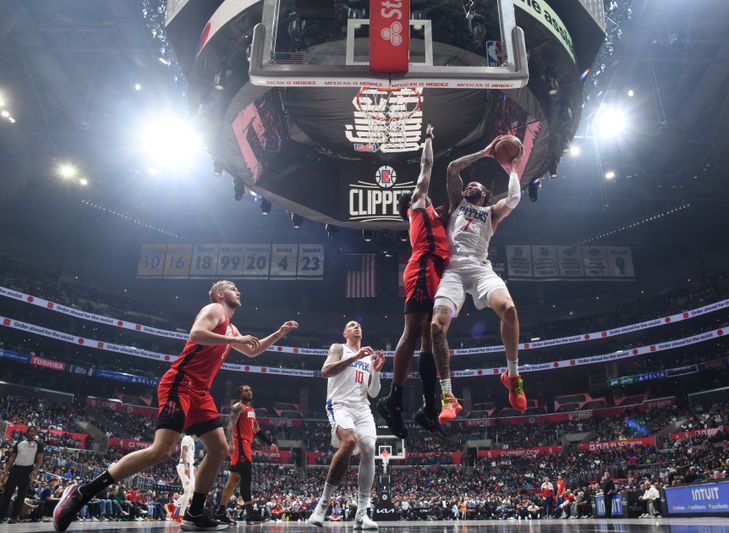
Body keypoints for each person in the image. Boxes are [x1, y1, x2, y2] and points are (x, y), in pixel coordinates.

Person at [53, 280, 299, 532]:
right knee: (161, 450)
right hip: (180, 383)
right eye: (233, 288)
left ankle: (194, 514)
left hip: (200, 392)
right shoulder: (214, 309)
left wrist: (278, 334)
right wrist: (233, 339)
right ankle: (83, 492)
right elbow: (196, 334)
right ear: (220, 294)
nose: (239, 291)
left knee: (219, 448)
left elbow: (253, 351)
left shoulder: (232, 328)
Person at [429, 137, 527, 422]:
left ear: (484, 195)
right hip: (454, 272)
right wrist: (484, 153)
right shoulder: (457, 202)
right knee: (436, 327)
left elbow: (515, 198)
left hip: (481, 269)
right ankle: (448, 397)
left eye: (477, 187)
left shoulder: (491, 213)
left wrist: (512, 167)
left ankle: (513, 377)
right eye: (469, 185)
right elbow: (451, 170)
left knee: (508, 309)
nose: (471, 186)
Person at [377, 122, 449, 439]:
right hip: (422, 268)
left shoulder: (433, 217)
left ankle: (428, 407)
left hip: (436, 271)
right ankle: (393, 400)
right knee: (413, 330)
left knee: (431, 338)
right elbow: (428, 164)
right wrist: (429, 137)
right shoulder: (419, 203)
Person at [308, 321, 384, 530]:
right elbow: (325, 371)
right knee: (350, 441)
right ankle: (322, 506)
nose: (356, 327)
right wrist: (354, 357)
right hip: (339, 404)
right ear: (344, 333)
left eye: (359, 325)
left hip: (362, 408)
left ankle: (362, 513)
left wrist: (376, 372)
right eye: (351, 325)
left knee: (369, 449)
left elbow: (374, 393)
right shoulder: (338, 348)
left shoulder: (369, 356)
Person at [215, 384, 279, 525]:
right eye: (246, 390)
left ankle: (220, 511)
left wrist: (270, 443)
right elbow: (230, 425)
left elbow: (256, 429)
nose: (249, 392)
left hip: (245, 445)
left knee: (233, 480)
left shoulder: (251, 410)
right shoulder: (238, 407)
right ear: (240, 393)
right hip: (240, 445)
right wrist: (230, 443)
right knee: (246, 478)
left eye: (250, 390)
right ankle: (250, 514)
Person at [0, 424, 44, 524]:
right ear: (27, 432)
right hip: (16, 469)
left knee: (21, 495)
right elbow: (12, 457)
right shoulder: (19, 443)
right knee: (7, 493)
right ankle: (1, 516)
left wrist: (35, 471)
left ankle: (13, 517)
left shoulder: (38, 444)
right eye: (31, 431)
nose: (32, 433)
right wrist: (7, 470)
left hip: (28, 470)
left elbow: (40, 459)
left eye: (34, 431)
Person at [175, 434, 196, 523]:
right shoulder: (187, 438)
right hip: (184, 465)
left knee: (191, 492)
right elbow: (184, 452)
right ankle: (180, 514)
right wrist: (187, 466)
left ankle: (174, 505)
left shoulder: (192, 440)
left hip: (189, 465)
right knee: (188, 491)